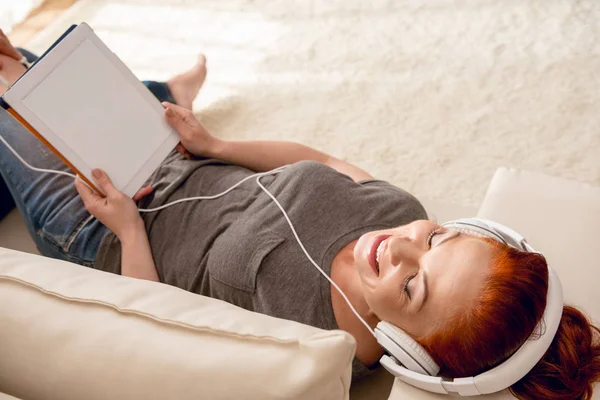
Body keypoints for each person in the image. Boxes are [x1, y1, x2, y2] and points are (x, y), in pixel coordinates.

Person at [0, 31, 598, 400]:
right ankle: (171, 96)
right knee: (36, 73)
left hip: (100, 225)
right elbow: (320, 159)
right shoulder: (401, 212)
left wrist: (127, 225)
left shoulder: (308, 344)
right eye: (437, 239)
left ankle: (163, 89)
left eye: (413, 286)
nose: (399, 247)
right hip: (176, 161)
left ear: (407, 350)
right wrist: (215, 146)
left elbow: (151, 324)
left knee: (13, 84)